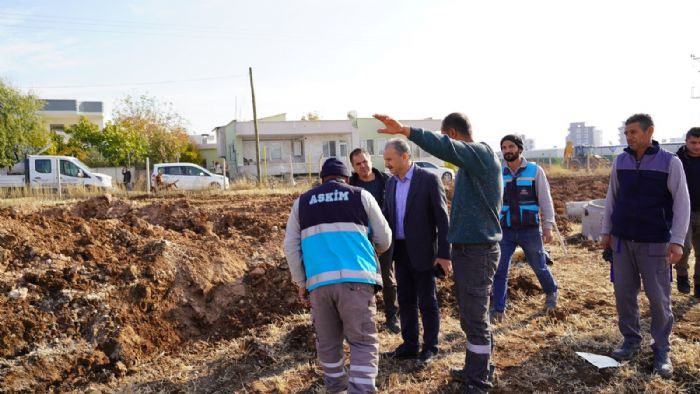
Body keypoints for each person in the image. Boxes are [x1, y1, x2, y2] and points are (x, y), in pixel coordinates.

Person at [374, 113, 502, 394]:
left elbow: (445, 149)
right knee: (469, 317)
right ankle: (474, 369)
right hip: (467, 250)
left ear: (453, 135)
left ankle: (479, 381)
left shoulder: (481, 154)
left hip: (478, 252)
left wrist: (407, 131)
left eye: (447, 140)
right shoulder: (472, 167)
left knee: (476, 318)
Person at [283, 158, 392, 394]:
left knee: (329, 344)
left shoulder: (302, 202)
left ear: (322, 180)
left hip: (319, 285)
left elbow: (290, 246)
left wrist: (301, 282)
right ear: (346, 178)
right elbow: (384, 237)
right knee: (362, 341)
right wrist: (374, 248)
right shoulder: (361, 196)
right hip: (358, 281)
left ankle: (336, 389)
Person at [600, 113, 690, 378]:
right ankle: (630, 339)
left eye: (633, 132)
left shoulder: (669, 162)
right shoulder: (621, 161)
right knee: (624, 294)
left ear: (649, 131)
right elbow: (611, 197)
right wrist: (606, 231)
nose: (629, 137)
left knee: (659, 298)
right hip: (622, 241)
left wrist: (677, 241)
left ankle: (661, 349)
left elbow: (681, 204)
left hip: (655, 242)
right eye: (626, 132)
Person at [380, 139, 450, 365]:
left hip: (424, 252)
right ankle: (410, 345)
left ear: (405, 156)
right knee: (406, 300)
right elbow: (386, 216)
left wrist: (444, 254)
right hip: (399, 252)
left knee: (427, 302)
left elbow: (443, 219)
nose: (387, 164)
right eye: (386, 160)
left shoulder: (428, 179)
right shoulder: (390, 183)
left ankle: (430, 347)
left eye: (390, 159)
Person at [491, 135, 558, 322]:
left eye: (511, 146)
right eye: (504, 147)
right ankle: (498, 309)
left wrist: (548, 227)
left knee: (539, 266)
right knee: (500, 269)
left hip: (529, 230)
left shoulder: (535, 171)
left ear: (520, 149)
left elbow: (545, 200)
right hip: (505, 230)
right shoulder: (498, 172)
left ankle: (552, 292)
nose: (507, 150)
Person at [349, 148, 400, 334]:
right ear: (353, 167)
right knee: (359, 279)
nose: (363, 166)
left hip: (384, 237)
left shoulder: (388, 182)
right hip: (359, 240)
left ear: (370, 160)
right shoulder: (350, 186)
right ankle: (362, 317)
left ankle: (392, 316)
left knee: (387, 277)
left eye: (365, 161)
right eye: (358, 164)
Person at [675, 127, 700, 297]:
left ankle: (699, 284)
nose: (697, 146)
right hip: (685, 211)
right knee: (684, 247)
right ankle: (682, 275)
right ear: (686, 141)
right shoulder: (677, 160)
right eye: (693, 142)